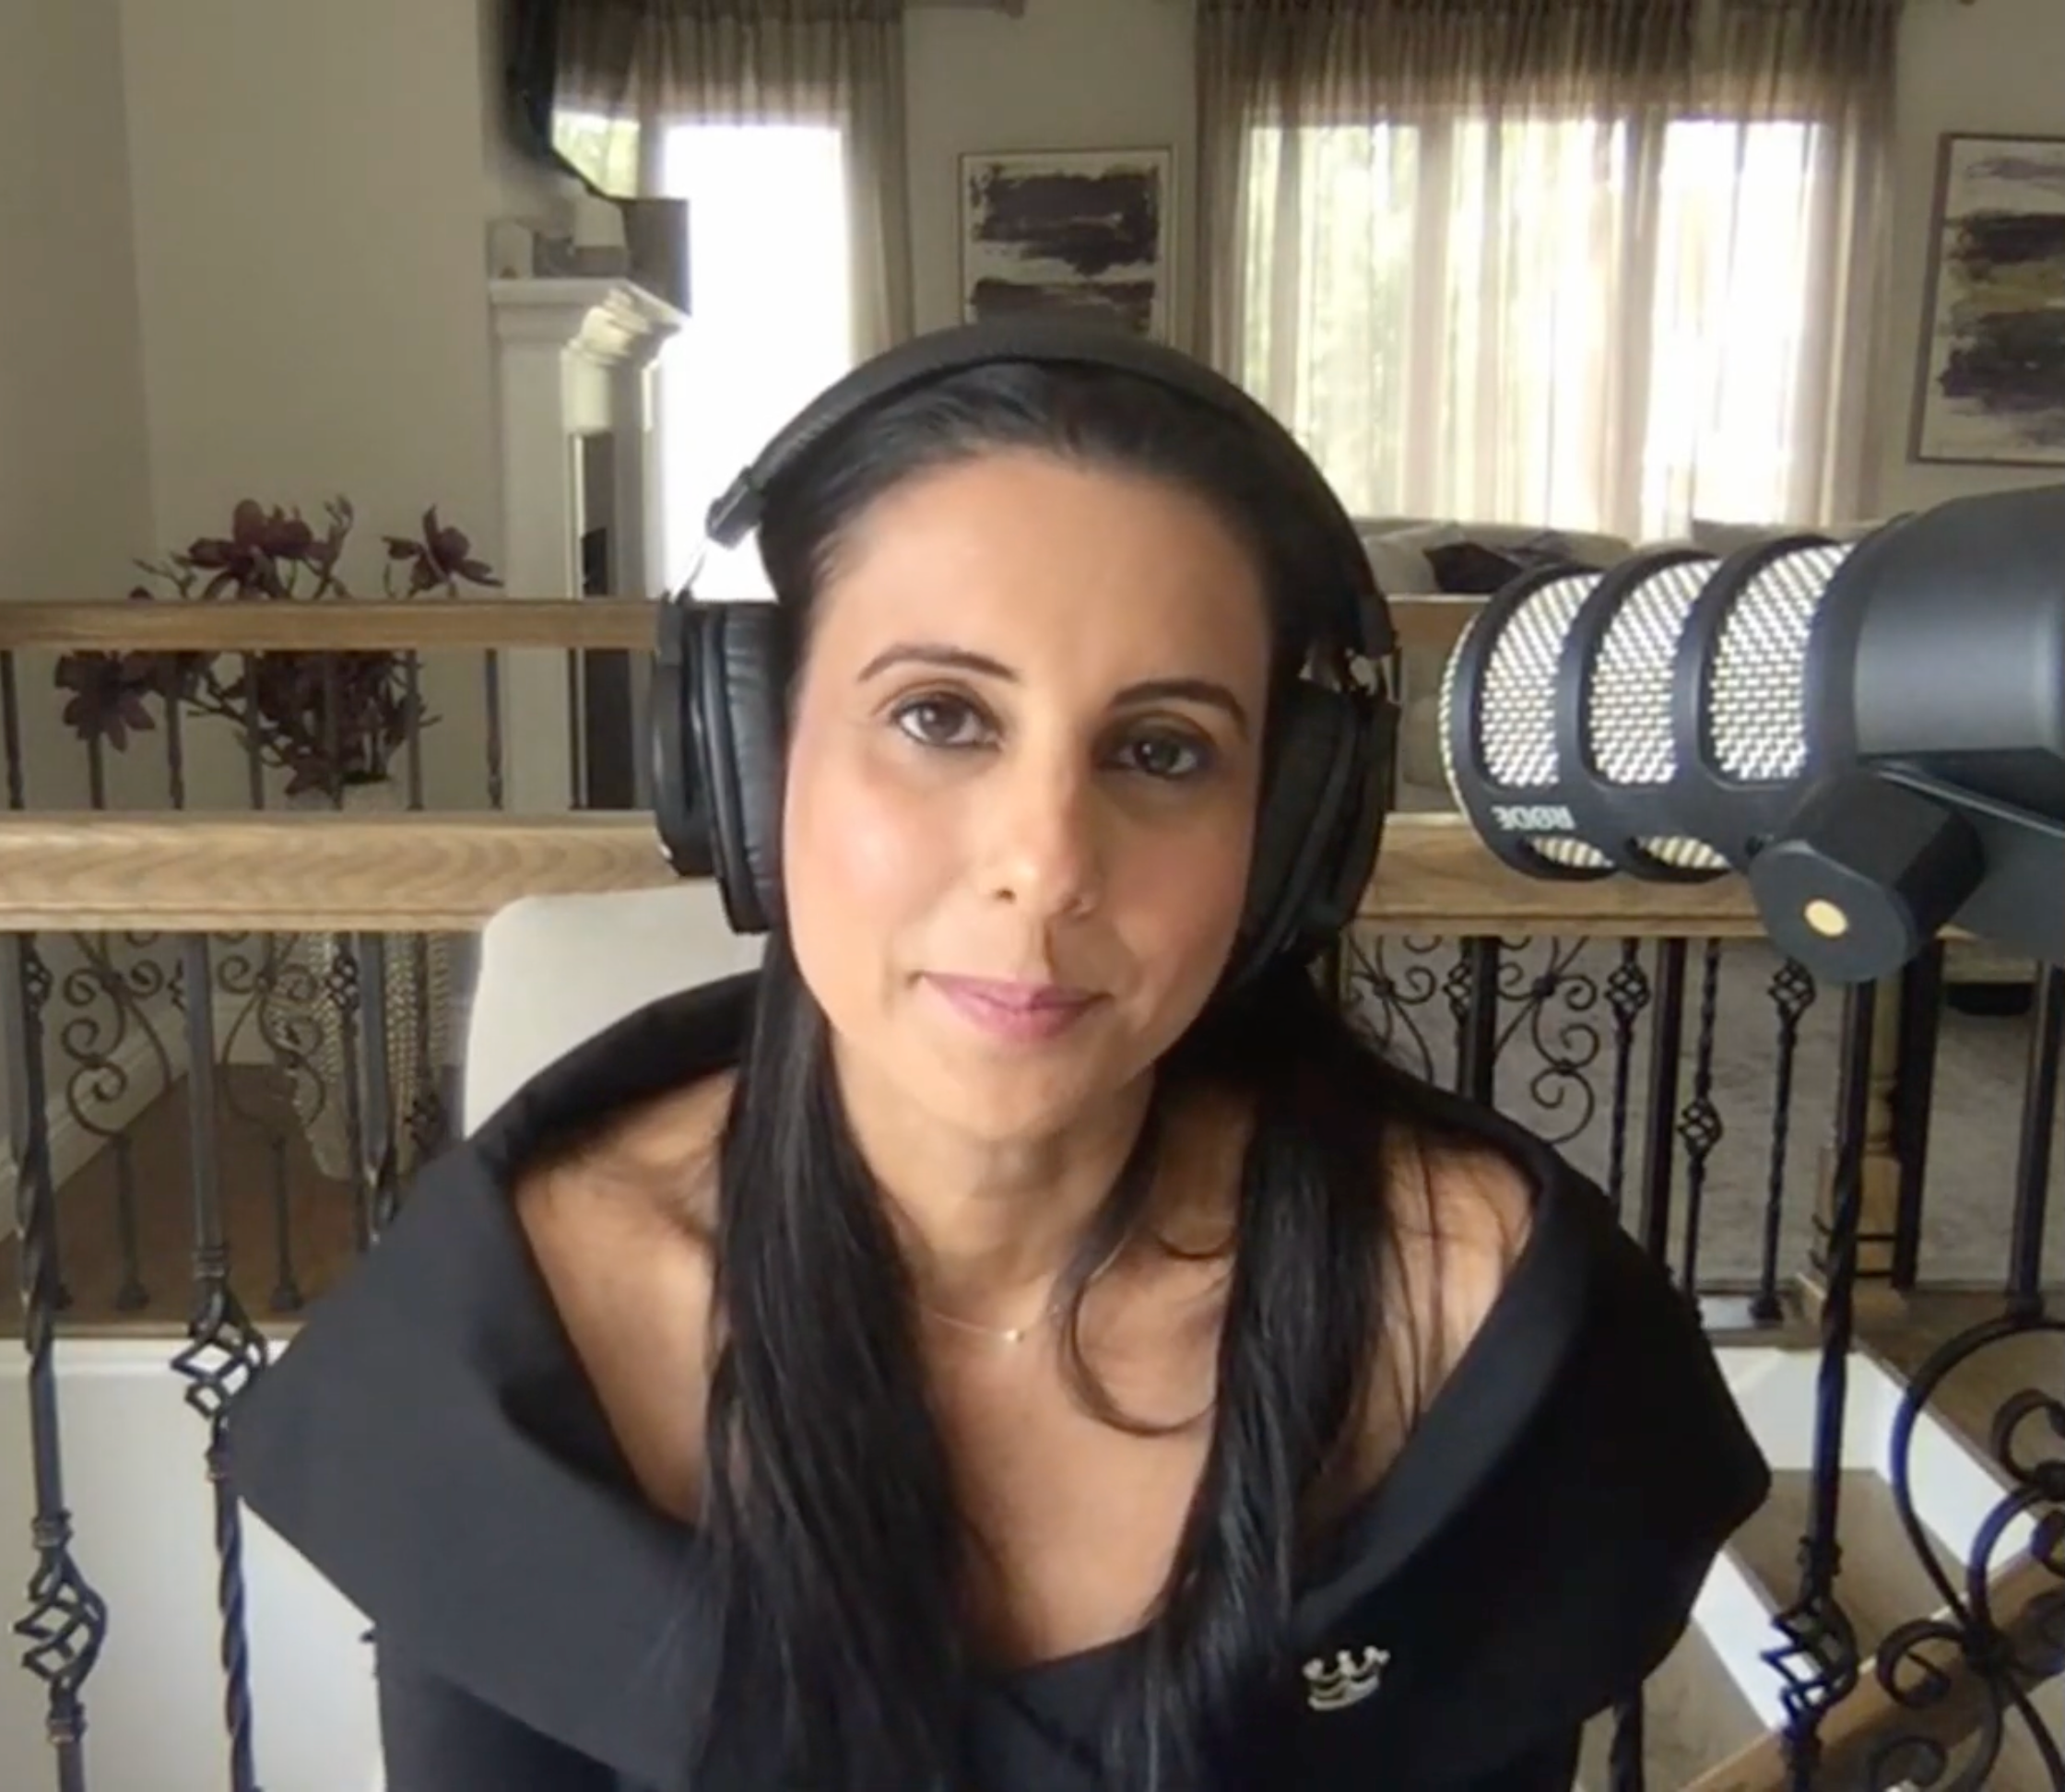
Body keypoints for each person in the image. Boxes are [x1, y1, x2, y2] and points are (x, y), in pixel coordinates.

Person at [226, 320, 1771, 1792]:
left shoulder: (1472, 1331)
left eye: (1163, 750)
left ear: (1288, 835)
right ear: (749, 758)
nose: (1047, 863)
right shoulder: (509, 1357)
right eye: (942, 716)